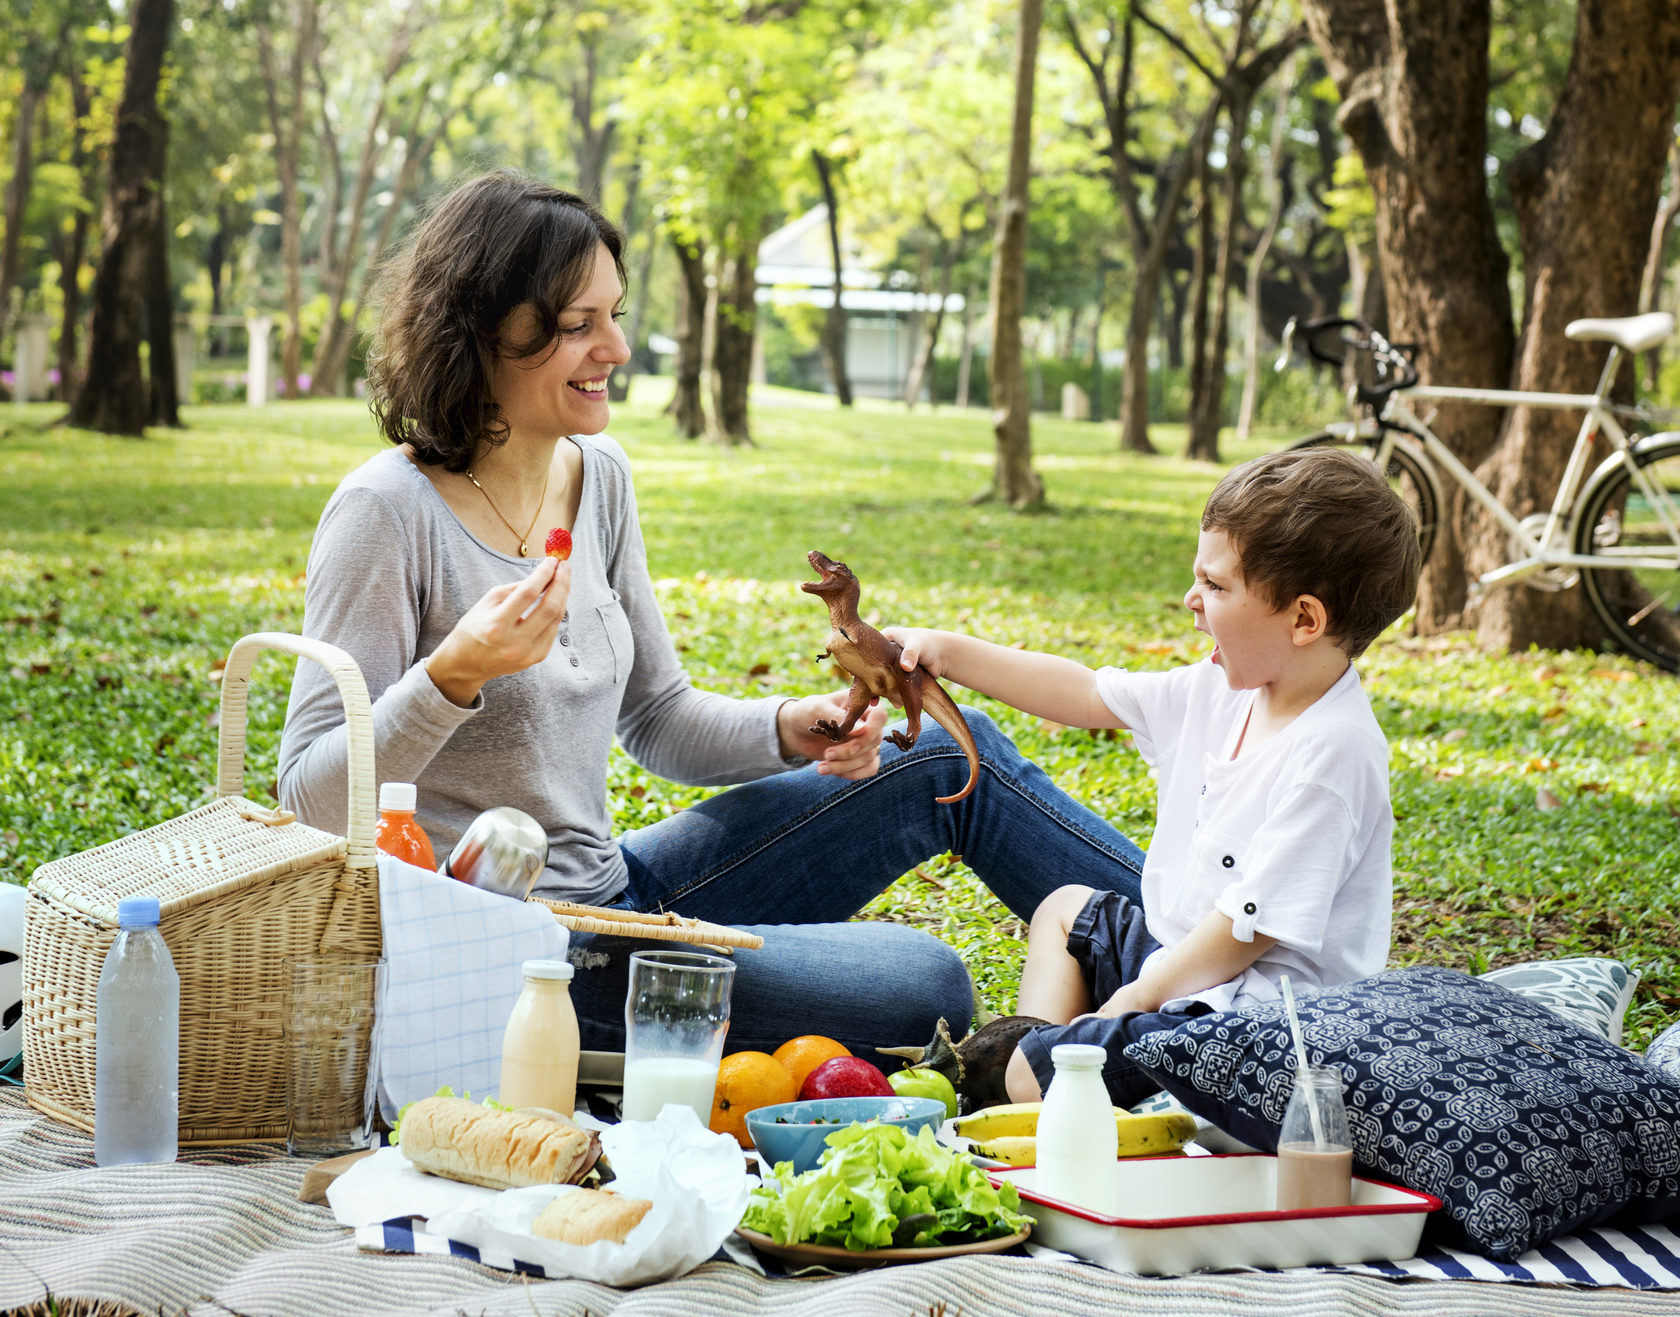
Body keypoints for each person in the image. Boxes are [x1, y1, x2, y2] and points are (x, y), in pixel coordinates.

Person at [277, 169, 1152, 1065]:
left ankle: (1208, 960)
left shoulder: (597, 474)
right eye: (579, 326)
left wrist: (788, 728)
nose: (615, 348)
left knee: (932, 756)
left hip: (614, 884)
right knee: (928, 983)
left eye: (614, 314)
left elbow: (657, 717)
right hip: (522, 956)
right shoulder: (386, 513)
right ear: (480, 332)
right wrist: (453, 674)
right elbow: (307, 797)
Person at [887, 448, 1421, 1106]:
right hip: (1184, 969)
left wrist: (1133, 998)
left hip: (1253, 1030)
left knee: (1034, 1072)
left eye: (1218, 586)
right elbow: (1085, 694)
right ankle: (1048, 1067)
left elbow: (1244, 934)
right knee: (1064, 912)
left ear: (1304, 619)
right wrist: (947, 651)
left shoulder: (1335, 752)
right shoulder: (1223, 688)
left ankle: (1037, 1080)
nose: (1192, 601)